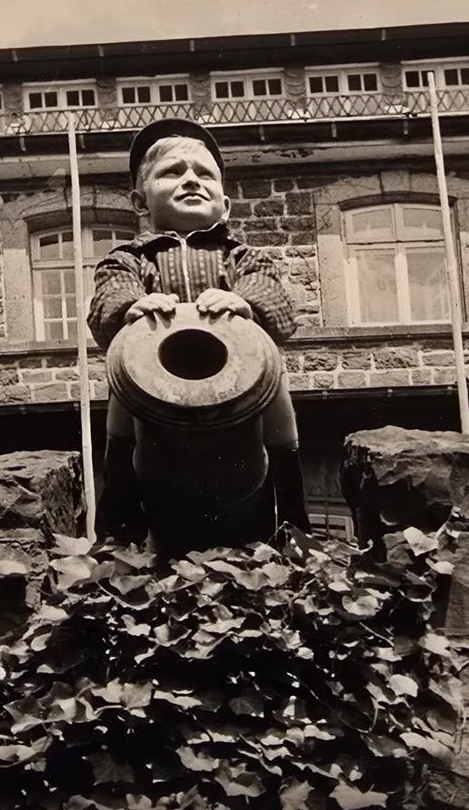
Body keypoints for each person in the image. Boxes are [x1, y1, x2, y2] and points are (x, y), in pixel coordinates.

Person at [87, 118, 310, 544]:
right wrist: (132, 305)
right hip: (154, 379)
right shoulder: (129, 258)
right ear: (139, 201)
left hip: (241, 377)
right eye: (172, 172)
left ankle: (292, 518)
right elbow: (109, 296)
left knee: (276, 394)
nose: (191, 180)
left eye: (204, 174)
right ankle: (117, 524)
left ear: (225, 205)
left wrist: (245, 302)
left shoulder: (242, 257)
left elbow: (274, 300)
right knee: (122, 395)